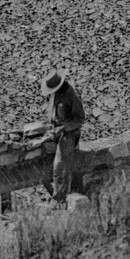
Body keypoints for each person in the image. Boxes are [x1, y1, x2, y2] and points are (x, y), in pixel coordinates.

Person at [40, 70, 84, 199]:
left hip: (69, 134)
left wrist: (63, 129)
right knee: (42, 164)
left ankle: (59, 198)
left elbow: (79, 119)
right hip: (56, 131)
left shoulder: (70, 94)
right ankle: (54, 192)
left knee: (59, 166)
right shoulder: (55, 94)